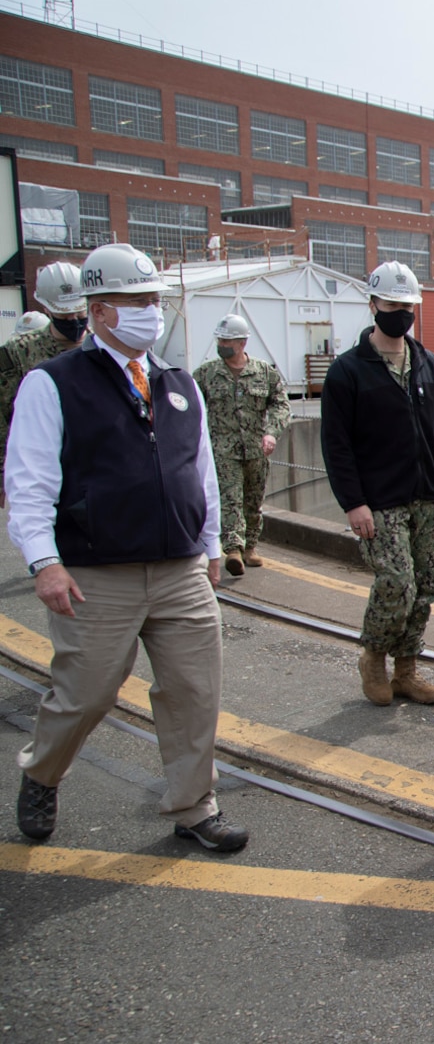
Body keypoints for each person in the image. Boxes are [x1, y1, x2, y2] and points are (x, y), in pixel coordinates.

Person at [8, 243, 246, 851]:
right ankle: (42, 771)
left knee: (195, 691)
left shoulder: (177, 382)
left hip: (180, 567)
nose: (151, 312)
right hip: (96, 572)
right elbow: (29, 481)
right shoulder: (52, 383)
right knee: (86, 693)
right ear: (101, 311)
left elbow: (202, 470)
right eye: (138, 302)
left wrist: (212, 542)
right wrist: (44, 562)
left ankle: (195, 805)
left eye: (155, 301)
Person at [321, 261, 434, 707]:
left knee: (427, 585)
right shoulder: (348, 372)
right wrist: (353, 503)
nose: (402, 312)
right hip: (379, 501)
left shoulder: (429, 365)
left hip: (427, 494)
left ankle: (406, 668)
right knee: (397, 581)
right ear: (373, 305)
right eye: (393, 304)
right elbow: (337, 446)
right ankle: (374, 657)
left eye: (408, 305)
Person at [193, 313, 291, 576]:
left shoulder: (264, 373)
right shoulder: (206, 374)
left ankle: (251, 547)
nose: (222, 344)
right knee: (230, 498)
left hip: (257, 449)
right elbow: (191, 408)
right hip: (223, 450)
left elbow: (282, 404)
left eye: (228, 340)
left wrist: (271, 432)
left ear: (242, 343)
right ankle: (233, 548)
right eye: (220, 339)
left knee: (253, 500)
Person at [0, 262, 90, 507]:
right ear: (47, 309)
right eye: (64, 314)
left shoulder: (103, 346)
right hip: (42, 467)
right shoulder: (19, 352)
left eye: (79, 313)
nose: (73, 320)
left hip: (95, 467)